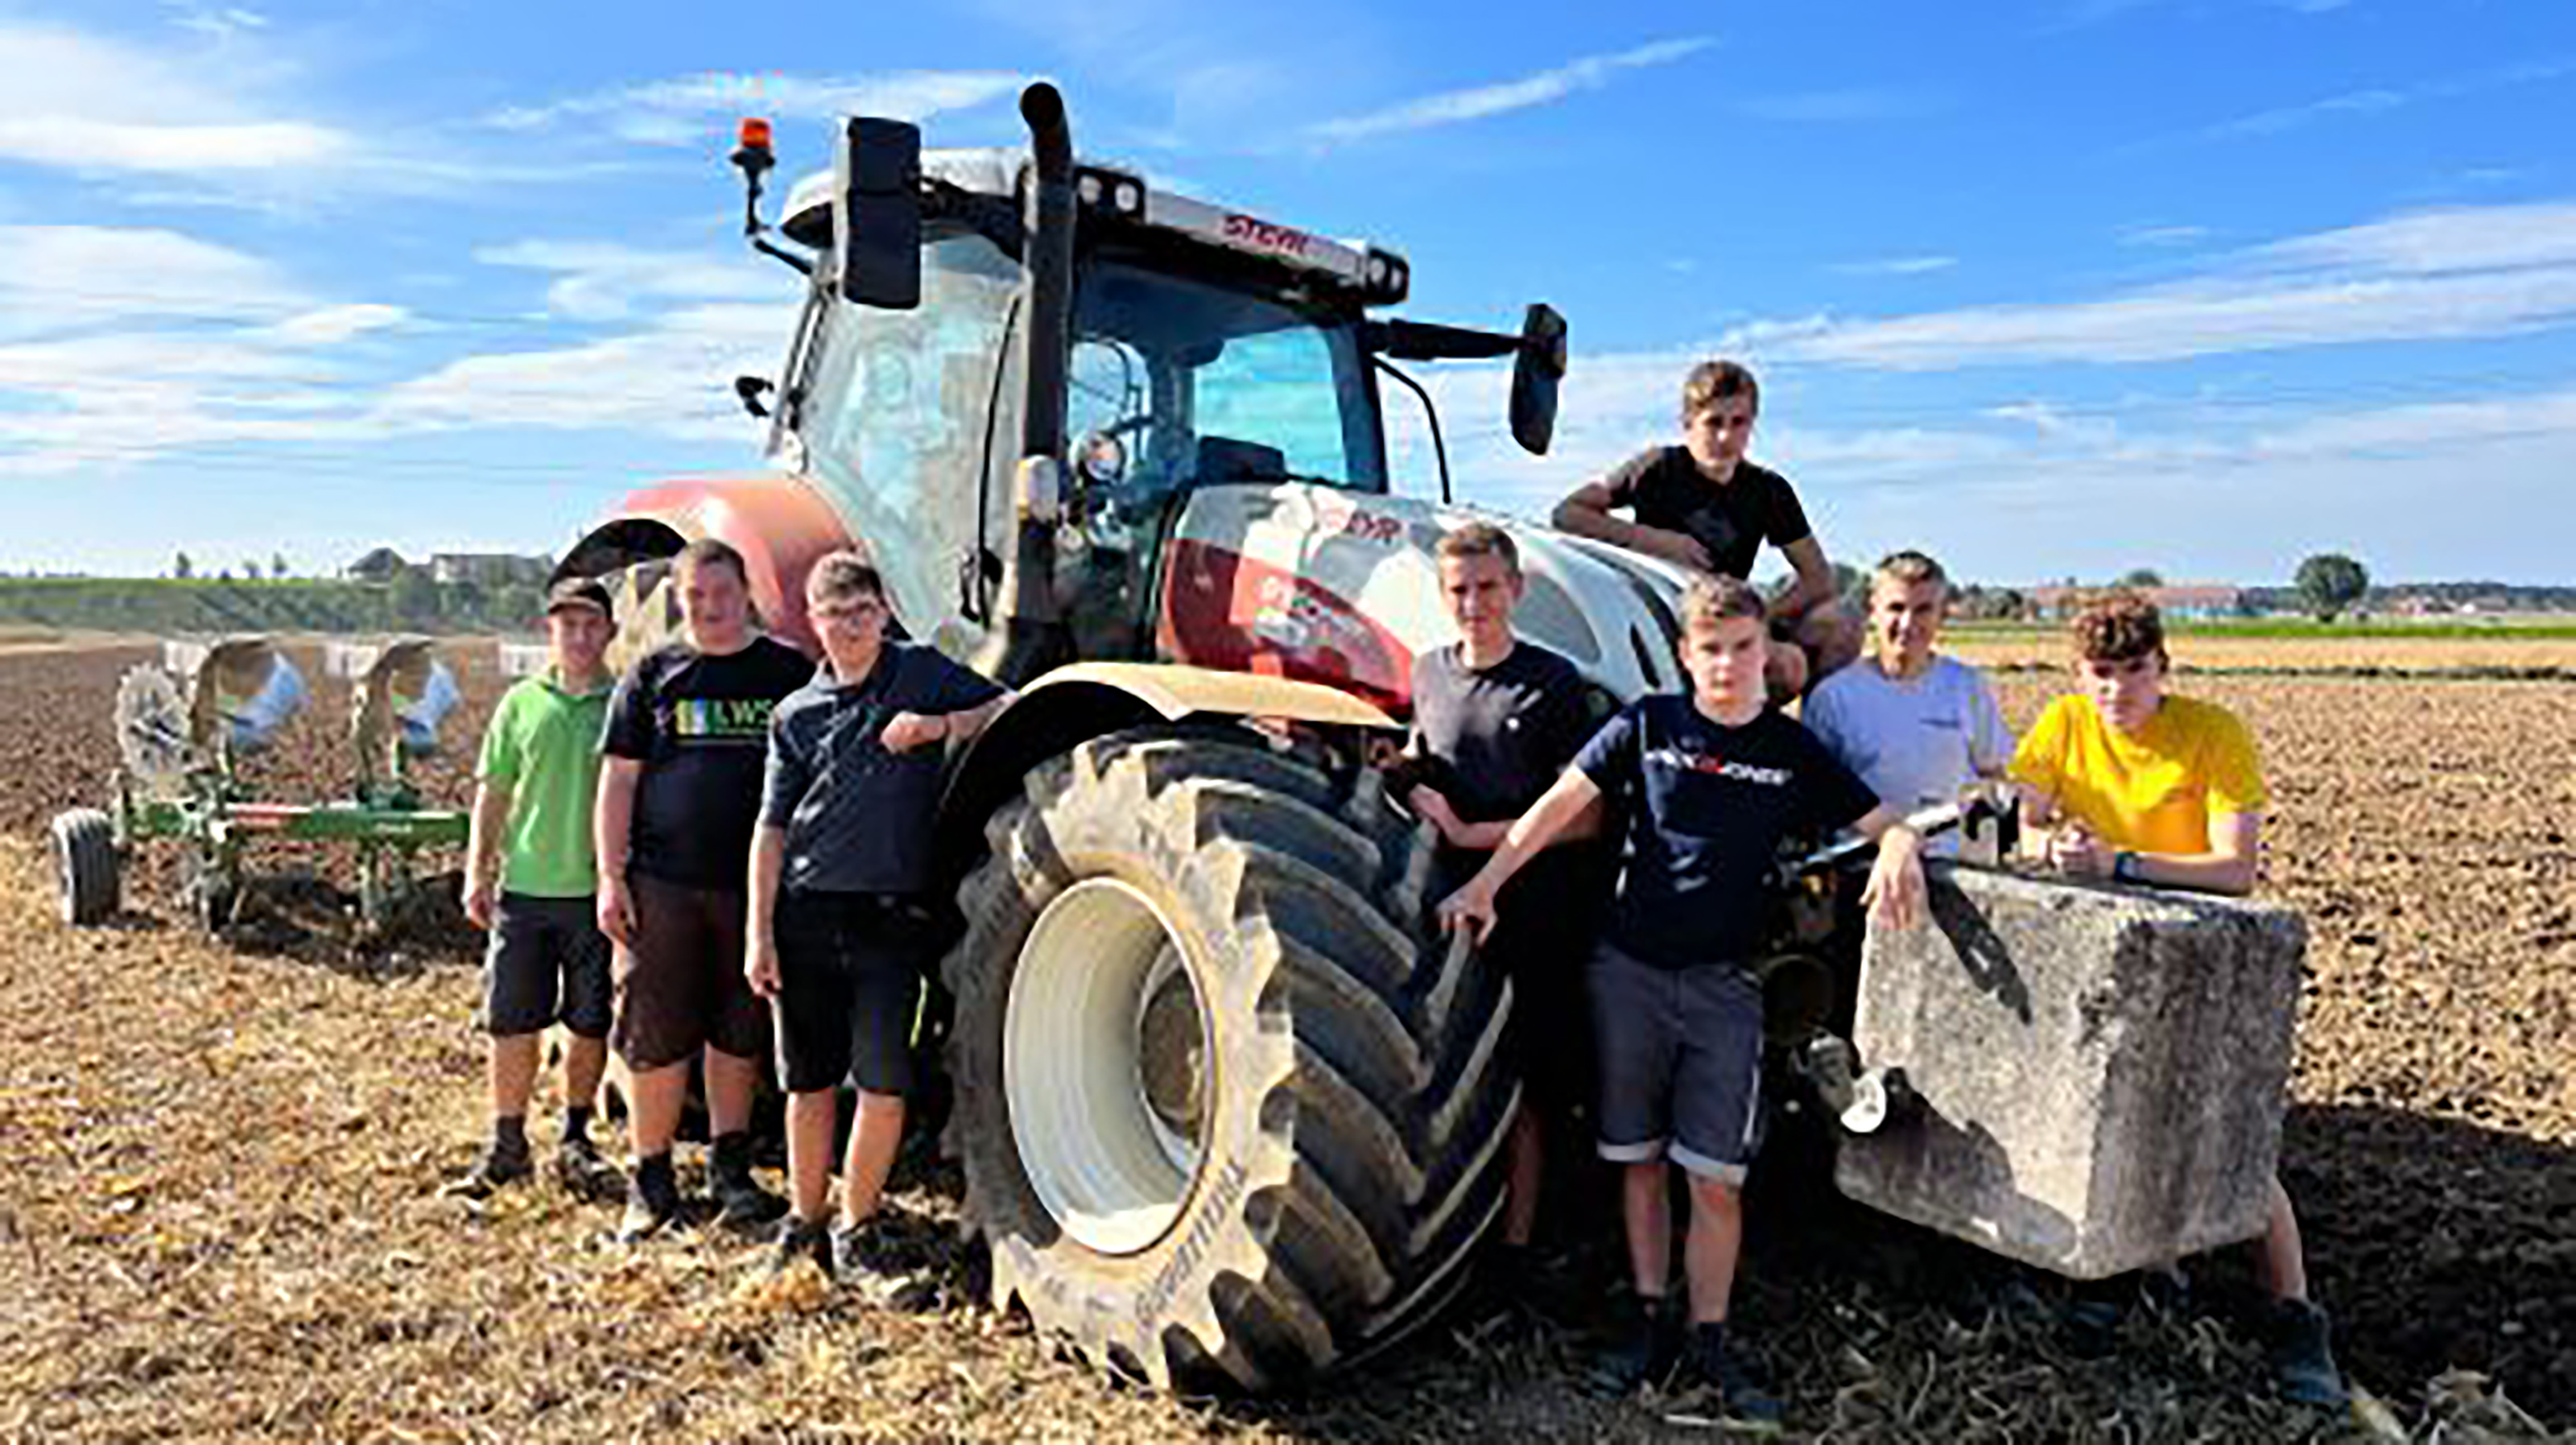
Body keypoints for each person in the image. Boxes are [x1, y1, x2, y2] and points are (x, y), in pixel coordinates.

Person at [1440, 574, 1928, 1426]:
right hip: (1625, 975)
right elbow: (1552, 811)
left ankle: (1709, 1334)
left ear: (1762, 654)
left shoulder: (1786, 749)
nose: (1728, 665)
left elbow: (1881, 815)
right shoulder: (1645, 727)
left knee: (1713, 1178)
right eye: (1711, 650)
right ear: (1684, 656)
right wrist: (1484, 882)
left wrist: (1898, 844)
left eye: (1743, 648)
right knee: (1635, 1159)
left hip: (1723, 990)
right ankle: (1646, 1314)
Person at [2009, 591, 2347, 1407]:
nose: (2115, 691)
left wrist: (2121, 863)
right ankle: (2122, 1278)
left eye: (2132, 672)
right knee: (2104, 1120)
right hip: (2096, 951)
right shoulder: (2060, 724)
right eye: (2099, 675)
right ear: (2076, 675)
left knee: (2228, 1138)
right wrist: (2051, 844)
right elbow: (2021, 827)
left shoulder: (2211, 733)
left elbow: (2235, 868)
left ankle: (2294, 1315)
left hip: (2200, 950)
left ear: (2162, 667)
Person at [745, 553, 1009, 1290]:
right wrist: (758, 932)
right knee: (808, 1084)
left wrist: (936, 727)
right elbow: (771, 828)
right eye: (834, 616)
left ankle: (855, 1224)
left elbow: (1009, 704)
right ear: (815, 624)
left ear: (883, 613)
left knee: (884, 1082)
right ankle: (804, 1221)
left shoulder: (920, 671)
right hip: (806, 914)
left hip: (890, 920)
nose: (850, 628)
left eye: (862, 612)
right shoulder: (794, 715)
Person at [1392, 522, 1607, 1289]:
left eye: (1487, 587)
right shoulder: (1427, 672)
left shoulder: (1551, 683)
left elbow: (1583, 813)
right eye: (1458, 590)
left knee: (1531, 1084)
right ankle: (1455, 1236)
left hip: (1538, 905)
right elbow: (1426, 753)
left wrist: (1467, 831)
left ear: (1516, 589)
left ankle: (1520, 1253)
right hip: (1447, 907)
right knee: (1455, 1071)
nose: (1473, 604)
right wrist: (1401, 773)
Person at [597, 539, 815, 1243]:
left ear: (745, 592)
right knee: (654, 1029)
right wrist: (609, 875)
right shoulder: (654, 674)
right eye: (695, 598)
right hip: (662, 885)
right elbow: (619, 781)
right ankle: (650, 1177)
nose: (710, 608)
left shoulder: (787, 671)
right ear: (680, 600)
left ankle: (730, 1169)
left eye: (721, 594)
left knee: (738, 1029)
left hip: (753, 890)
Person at [449, 576, 622, 1200]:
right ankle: (508, 1141)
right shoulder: (521, 703)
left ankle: (576, 1136)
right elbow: (493, 793)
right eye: (566, 623)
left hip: (595, 895)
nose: (578, 634)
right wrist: (477, 871)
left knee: (589, 1023)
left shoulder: (625, 703)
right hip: (525, 890)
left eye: (590, 623)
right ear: (549, 631)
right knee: (512, 1022)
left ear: (610, 631)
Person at [1552, 359, 1856, 695]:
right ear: (1688, 423)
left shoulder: (1769, 490)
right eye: (1713, 422)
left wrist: (1761, 616)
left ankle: (1806, 733)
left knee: (1838, 626)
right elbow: (1568, 513)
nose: (1726, 436)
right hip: (1663, 611)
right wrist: (1649, 539)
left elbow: (1817, 579)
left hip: (1729, 614)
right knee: (1783, 665)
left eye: (1739, 422)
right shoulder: (1657, 468)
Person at [1802, 550, 2014, 848]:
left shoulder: (1966, 686)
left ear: (1942, 614)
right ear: (1872, 611)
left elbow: (1995, 773)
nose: (1907, 623)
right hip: (1860, 865)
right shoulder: (1834, 696)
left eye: (1923, 609)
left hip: (1947, 868)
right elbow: (1815, 795)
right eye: (1896, 608)